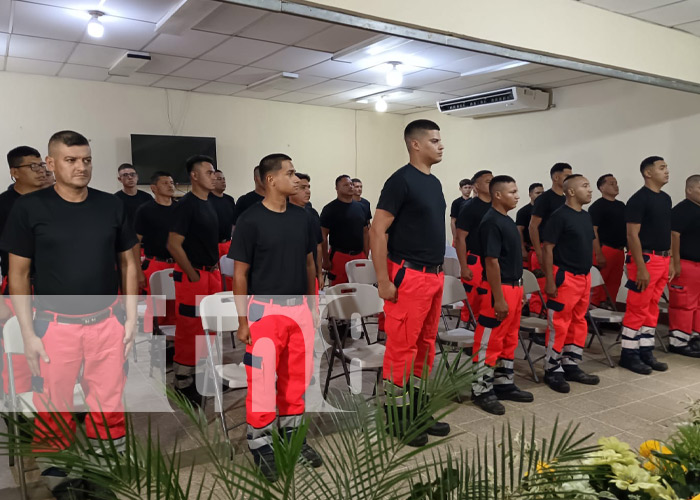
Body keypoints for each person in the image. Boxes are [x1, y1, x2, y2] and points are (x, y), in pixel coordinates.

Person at [0, 130, 138, 498]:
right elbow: (18, 273)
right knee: (55, 404)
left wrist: (131, 317)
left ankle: (105, 467)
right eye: (71, 160)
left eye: (87, 160)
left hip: (107, 323)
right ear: (51, 163)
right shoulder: (29, 208)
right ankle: (58, 473)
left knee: (109, 402)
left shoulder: (111, 205)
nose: (81, 167)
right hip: (55, 326)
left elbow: (128, 262)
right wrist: (28, 333)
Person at [230, 153, 322, 482]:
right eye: (291, 173)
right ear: (271, 180)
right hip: (264, 310)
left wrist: (311, 306)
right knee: (263, 381)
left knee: (296, 378)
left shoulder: (302, 218)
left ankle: (292, 436)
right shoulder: (250, 220)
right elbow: (240, 274)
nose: (296, 179)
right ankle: (261, 444)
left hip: (299, 308)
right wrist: (243, 321)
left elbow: (309, 263)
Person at [370, 119, 450, 448]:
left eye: (440, 140)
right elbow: (377, 230)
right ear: (415, 144)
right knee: (402, 349)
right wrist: (383, 280)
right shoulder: (400, 181)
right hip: (408, 275)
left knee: (425, 347)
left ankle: (416, 410)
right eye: (434, 140)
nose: (440, 145)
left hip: (434, 275)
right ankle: (396, 418)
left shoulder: (434, 183)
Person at [471, 176, 533, 415]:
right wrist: (498, 297)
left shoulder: (507, 220)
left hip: (514, 287)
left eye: (517, 191)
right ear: (498, 195)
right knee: (489, 343)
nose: (517, 195)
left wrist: (521, 289)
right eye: (513, 191)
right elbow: (492, 261)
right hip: (498, 290)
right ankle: (481, 390)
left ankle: (504, 383)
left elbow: (513, 260)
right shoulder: (491, 221)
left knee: (509, 339)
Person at [166, 155, 221, 406]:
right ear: (194, 176)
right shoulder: (185, 205)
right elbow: (173, 244)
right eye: (208, 172)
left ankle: (202, 373)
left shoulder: (208, 202)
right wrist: (192, 274)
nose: (214, 176)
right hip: (194, 275)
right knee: (190, 329)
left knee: (208, 328)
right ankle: (182, 382)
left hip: (210, 274)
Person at [542, 174, 600, 393]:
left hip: (584, 278)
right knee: (559, 324)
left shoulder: (585, 217)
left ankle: (571, 363)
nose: (590, 189)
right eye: (585, 185)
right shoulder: (559, 216)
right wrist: (549, 280)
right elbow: (547, 248)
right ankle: (552, 368)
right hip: (564, 277)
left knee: (579, 322)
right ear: (572, 192)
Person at [0, 146, 47, 396]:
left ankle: (60, 401)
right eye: (33, 166)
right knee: (18, 347)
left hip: (53, 286)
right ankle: (20, 410)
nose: (40, 171)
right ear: (14, 172)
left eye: (41, 165)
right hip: (19, 285)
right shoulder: (3, 205)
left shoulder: (53, 201)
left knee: (53, 345)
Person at [620, 156, 673, 374]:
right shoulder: (639, 199)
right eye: (662, 168)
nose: (667, 171)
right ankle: (629, 354)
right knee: (637, 308)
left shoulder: (666, 198)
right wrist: (641, 266)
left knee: (652, 309)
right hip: (645, 260)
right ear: (648, 173)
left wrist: (670, 260)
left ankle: (646, 350)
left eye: (666, 167)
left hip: (663, 259)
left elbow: (666, 231)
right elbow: (632, 234)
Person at [134, 171, 178, 330]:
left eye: (172, 182)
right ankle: (154, 345)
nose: (170, 186)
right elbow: (135, 242)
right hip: (156, 263)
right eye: (165, 183)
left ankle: (174, 347)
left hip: (179, 264)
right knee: (157, 309)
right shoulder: (145, 210)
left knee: (177, 307)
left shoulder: (181, 209)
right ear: (154, 188)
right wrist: (138, 271)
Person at [528, 163, 572, 315]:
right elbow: (533, 227)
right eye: (567, 175)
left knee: (558, 290)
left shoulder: (567, 199)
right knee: (541, 290)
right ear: (556, 177)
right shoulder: (545, 199)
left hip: (561, 252)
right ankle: (536, 324)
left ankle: (551, 322)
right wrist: (539, 252)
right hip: (544, 249)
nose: (569, 179)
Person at [455, 170, 493, 323]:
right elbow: (460, 238)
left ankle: (482, 335)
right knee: (472, 300)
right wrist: (464, 267)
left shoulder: (497, 206)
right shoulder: (469, 207)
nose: (492, 183)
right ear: (476, 186)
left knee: (489, 300)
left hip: (493, 260)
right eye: (488, 181)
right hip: (475, 260)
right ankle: (466, 330)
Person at [669, 175, 700, 357]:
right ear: (689, 190)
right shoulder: (682, 209)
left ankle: (694, 338)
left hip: (698, 265)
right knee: (683, 304)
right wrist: (675, 261)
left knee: (697, 305)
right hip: (686, 264)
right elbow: (674, 235)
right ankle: (678, 342)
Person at [320, 175, 369, 285]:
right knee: (339, 292)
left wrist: (365, 253)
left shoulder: (362, 207)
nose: (350, 187)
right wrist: (326, 259)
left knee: (360, 289)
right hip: (339, 256)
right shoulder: (330, 209)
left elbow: (365, 232)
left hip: (359, 255)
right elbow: (323, 235)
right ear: (337, 188)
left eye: (351, 184)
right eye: (346, 185)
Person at [589, 174, 626, 308]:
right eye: (611, 183)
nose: (616, 186)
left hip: (619, 250)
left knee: (614, 282)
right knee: (599, 283)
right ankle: (594, 311)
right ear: (602, 187)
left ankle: (609, 308)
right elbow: (593, 231)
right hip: (605, 249)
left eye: (616, 183)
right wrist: (598, 253)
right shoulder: (597, 207)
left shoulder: (621, 206)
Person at [290, 173, 323, 289]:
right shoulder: (284, 214)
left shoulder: (313, 214)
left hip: (310, 272)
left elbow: (318, 245)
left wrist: (319, 273)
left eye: (309, 187)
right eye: (303, 188)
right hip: (291, 276)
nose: (308, 191)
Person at [209, 170, 236, 290]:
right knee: (216, 278)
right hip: (213, 244)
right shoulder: (207, 200)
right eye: (219, 179)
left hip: (228, 244)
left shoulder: (229, 200)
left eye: (224, 178)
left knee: (230, 277)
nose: (223, 181)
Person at [515, 183, 544, 270]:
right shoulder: (523, 211)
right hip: (530, 249)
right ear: (530, 194)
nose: (541, 195)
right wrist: (522, 249)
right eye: (538, 193)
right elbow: (519, 230)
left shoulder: (547, 209)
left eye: (542, 193)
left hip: (545, 248)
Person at [449, 178, 473, 245]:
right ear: (460, 189)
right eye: (465, 187)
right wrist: (454, 237)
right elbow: (453, 221)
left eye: (469, 187)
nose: (467, 190)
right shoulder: (456, 202)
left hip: (471, 234)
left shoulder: (474, 202)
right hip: (460, 233)